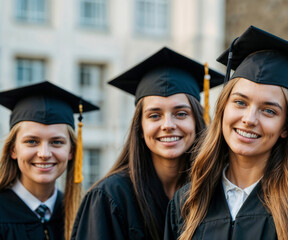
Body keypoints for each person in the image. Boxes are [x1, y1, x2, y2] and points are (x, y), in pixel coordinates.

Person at [165, 26, 288, 240]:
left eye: (269, 110)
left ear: (286, 127)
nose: (249, 119)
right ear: (223, 110)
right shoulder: (188, 202)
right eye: (239, 102)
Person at [71, 47, 223, 240]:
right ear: (140, 127)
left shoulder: (214, 192)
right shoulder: (109, 198)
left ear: (197, 121)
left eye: (181, 114)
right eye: (154, 115)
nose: (167, 125)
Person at [0, 81, 99, 240]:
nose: (44, 154)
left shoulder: (83, 215)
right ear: (13, 150)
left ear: (71, 151)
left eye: (57, 142)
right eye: (32, 141)